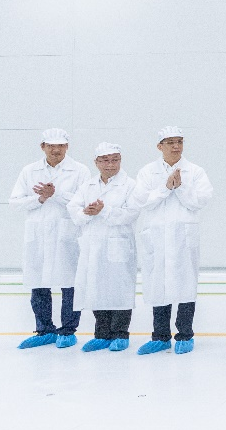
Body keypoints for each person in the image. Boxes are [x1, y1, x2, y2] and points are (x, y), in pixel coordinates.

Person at [131, 127, 214, 355]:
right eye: (170, 142)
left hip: (183, 239)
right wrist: (165, 187)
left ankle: (185, 335)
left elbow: (200, 200)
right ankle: (160, 337)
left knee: (186, 285)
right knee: (158, 285)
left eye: (179, 141)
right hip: (156, 238)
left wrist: (181, 187)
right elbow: (141, 201)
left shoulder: (195, 171)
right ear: (160, 146)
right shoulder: (147, 172)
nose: (176, 146)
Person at [9, 128, 90, 349]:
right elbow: (15, 202)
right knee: (38, 283)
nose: (56, 150)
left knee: (69, 283)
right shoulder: (29, 171)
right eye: (51, 146)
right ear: (42, 147)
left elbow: (84, 202)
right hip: (38, 236)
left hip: (67, 236)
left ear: (67, 147)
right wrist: (40, 198)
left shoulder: (80, 170)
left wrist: (57, 194)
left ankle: (68, 330)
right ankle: (44, 330)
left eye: (60, 146)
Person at [69, 143, 139, 352]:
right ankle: (102, 334)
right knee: (96, 288)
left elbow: (132, 213)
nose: (111, 164)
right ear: (96, 162)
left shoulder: (130, 185)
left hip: (119, 244)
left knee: (120, 289)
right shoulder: (88, 186)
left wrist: (104, 210)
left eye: (115, 160)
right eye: (105, 160)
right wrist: (86, 212)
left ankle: (120, 334)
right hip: (94, 246)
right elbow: (73, 207)